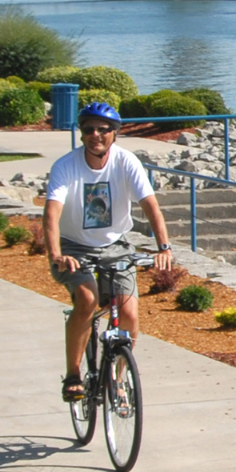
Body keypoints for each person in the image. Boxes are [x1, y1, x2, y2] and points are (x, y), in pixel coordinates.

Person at [43, 102, 173, 402]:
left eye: (104, 130)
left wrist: (163, 247)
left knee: (128, 313)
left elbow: (150, 205)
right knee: (87, 299)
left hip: (116, 246)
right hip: (74, 247)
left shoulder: (126, 162)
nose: (96, 135)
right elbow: (51, 213)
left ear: (115, 134)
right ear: (81, 133)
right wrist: (56, 254)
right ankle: (73, 375)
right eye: (89, 129)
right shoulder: (66, 166)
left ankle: (118, 374)